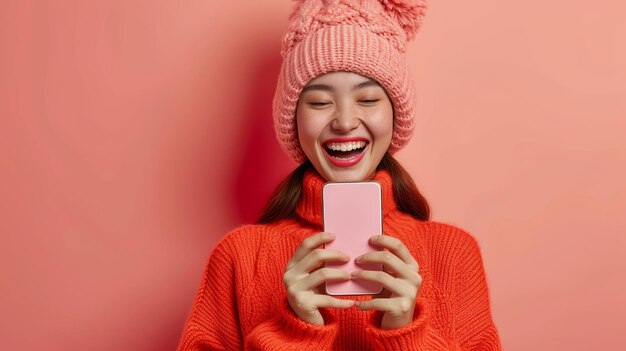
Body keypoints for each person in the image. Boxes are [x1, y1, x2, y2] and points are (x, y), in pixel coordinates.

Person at [178, 0, 502, 350]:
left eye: (367, 100)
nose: (345, 122)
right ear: (294, 120)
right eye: (319, 102)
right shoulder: (238, 257)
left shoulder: (453, 254)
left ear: (395, 115)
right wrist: (295, 332)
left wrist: (406, 334)